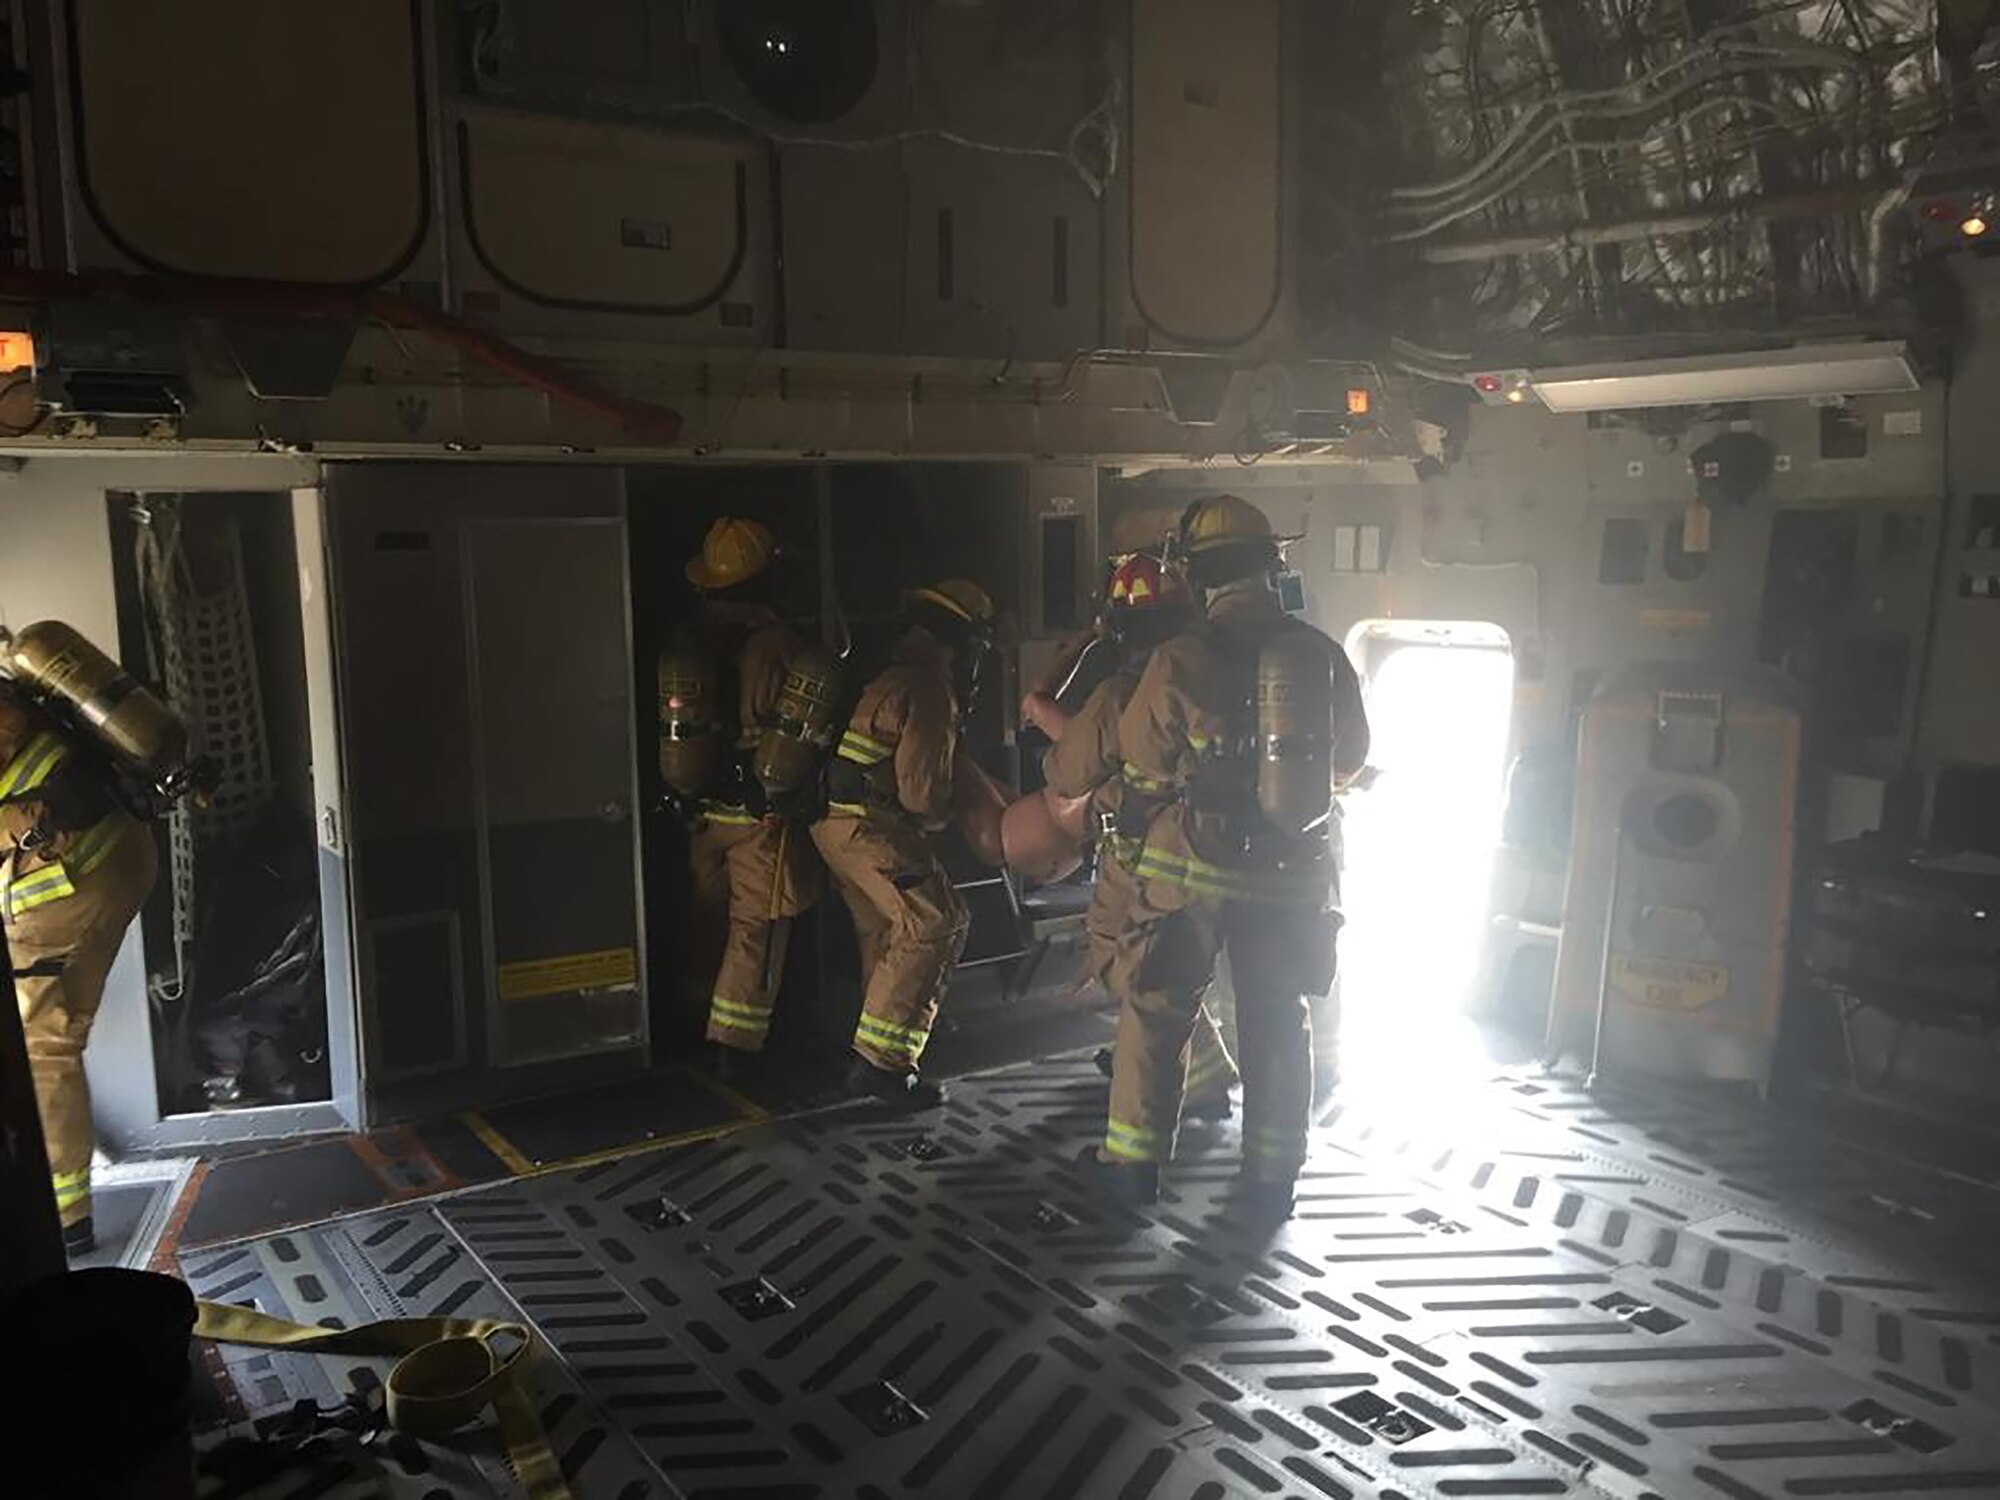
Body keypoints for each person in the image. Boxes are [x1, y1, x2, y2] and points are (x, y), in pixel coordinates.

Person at [1087, 495, 1369, 1224]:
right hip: (1289, 872)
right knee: (1278, 1018)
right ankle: (1273, 1178)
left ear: (1198, 575)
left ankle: (1132, 1171)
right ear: (1270, 565)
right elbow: (1351, 761)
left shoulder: (1180, 658)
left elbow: (1145, 771)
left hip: (1191, 871)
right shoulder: (1320, 655)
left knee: (1158, 1008)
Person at [1024, 552, 1241, 1120]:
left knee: (1125, 961)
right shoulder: (1219, 670)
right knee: (1174, 969)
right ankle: (1200, 1074)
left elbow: (1067, 774)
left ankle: (1177, 1075)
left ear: (1120, 630)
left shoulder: (1119, 693)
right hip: (1217, 848)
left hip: (1142, 854)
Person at [814, 579, 996, 1109]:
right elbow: (920, 794)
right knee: (938, 920)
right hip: (871, 829)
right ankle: (881, 1065)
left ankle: (878, 1044)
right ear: (960, 643)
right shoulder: (930, 689)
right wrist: (945, 816)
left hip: (833, 827)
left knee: (887, 931)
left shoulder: (888, 675)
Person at [0, 679, 159, 1255]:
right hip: (117, 857)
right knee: (59, 1033)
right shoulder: (13, 697)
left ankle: (64, 1215)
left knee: (42, 1045)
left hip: (64, 887)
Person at [674, 517, 818, 1071]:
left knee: (707, 915)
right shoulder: (779, 645)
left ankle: (692, 1020)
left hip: (702, 811)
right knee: (757, 927)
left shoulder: (697, 642)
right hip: (759, 814)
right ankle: (734, 1048)